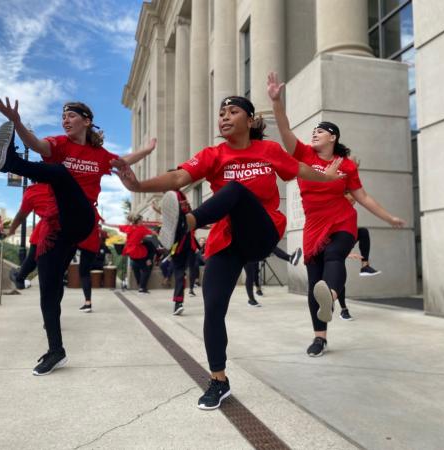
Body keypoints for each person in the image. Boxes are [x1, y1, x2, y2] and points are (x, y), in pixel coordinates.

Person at [117, 95, 342, 410]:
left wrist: (328, 176)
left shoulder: (269, 151)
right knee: (214, 308)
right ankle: (218, 380)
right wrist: (139, 186)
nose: (223, 117)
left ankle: (187, 223)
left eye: (232, 112)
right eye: (221, 113)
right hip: (226, 240)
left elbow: (301, 169)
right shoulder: (214, 154)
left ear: (250, 120)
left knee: (235, 189)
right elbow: (180, 178)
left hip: (261, 231)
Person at [0, 97, 156, 376]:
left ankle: (10, 162)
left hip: (82, 218)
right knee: (49, 288)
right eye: (62, 116)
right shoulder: (58, 144)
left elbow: (123, 161)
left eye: (71, 116)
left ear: (86, 121)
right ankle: (56, 350)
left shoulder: (99, 155)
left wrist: (147, 150)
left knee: (58, 173)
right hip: (57, 228)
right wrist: (17, 123)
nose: (65, 120)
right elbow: (37, 145)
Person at [268, 72, 404, 357]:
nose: (315, 133)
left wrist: (389, 218)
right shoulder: (304, 154)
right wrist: (277, 102)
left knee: (334, 256)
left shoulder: (346, 166)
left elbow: (362, 197)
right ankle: (320, 337)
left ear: (333, 137)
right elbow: (284, 131)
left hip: (342, 221)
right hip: (313, 225)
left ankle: (329, 296)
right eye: (314, 130)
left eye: (321, 130)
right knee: (313, 281)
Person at [118, 214, 154, 294]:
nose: (142, 221)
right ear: (138, 221)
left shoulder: (131, 228)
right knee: (141, 268)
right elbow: (152, 232)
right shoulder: (140, 229)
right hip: (136, 252)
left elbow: (120, 227)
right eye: (141, 220)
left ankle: (141, 286)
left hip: (134, 253)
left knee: (141, 268)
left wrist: (149, 259)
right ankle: (141, 287)